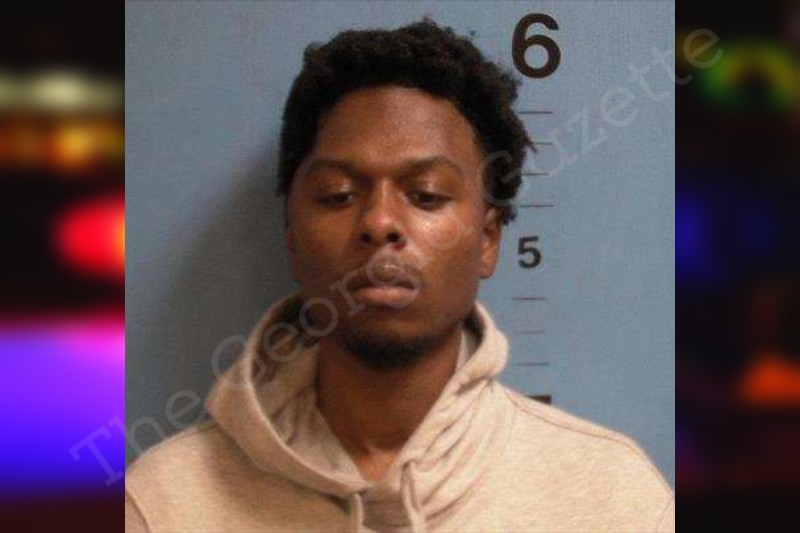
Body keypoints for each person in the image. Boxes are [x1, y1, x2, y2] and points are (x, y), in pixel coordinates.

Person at [125, 18, 674, 532]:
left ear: (488, 239)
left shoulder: (615, 502)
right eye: (338, 194)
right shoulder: (161, 505)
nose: (380, 222)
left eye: (426, 195)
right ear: (291, 235)